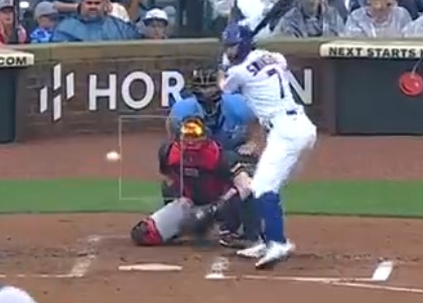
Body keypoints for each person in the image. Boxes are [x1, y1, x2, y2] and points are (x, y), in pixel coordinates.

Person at [221, 22, 318, 269]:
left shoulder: (239, 72)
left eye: (233, 47)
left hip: (286, 131)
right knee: (262, 186)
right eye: (227, 48)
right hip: (299, 126)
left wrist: (223, 66)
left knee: (264, 187)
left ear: (242, 45)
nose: (230, 52)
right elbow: (276, 62)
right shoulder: (273, 56)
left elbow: (224, 87)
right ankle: (266, 241)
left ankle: (278, 242)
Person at [167, 67, 260, 247]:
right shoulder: (183, 109)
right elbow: (171, 127)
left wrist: (254, 143)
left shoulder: (239, 105)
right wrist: (178, 149)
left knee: (249, 181)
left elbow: (258, 121)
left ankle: (248, 232)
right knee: (174, 180)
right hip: (203, 156)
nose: (207, 97)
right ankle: (190, 220)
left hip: (233, 154)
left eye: (211, 91)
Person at [130, 116, 244, 247]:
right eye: (187, 135)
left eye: (195, 135)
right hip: (189, 203)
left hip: (220, 204)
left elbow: (241, 186)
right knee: (143, 234)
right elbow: (167, 179)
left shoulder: (218, 156)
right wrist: (177, 206)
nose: (190, 141)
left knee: (237, 198)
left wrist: (216, 207)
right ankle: (185, 227)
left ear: (205, 136)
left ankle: (230, 231)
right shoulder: (168, 153)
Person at [49, 0, 140, 42]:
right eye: (89, 3)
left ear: (105, 4)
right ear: (82, 3)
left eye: (97, 3)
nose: (93, 7)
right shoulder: (65, 28)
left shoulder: (121, 28)